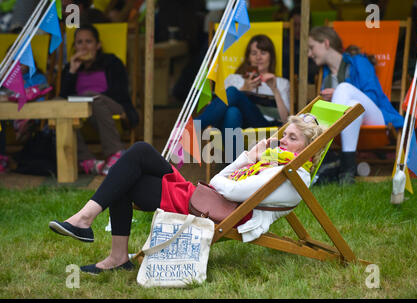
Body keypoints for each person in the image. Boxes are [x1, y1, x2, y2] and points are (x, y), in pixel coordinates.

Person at [49, 113, 324, 274]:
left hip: (206, 210)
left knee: (128, 174)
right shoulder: (275, 164)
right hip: (204, 198)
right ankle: (92, 228)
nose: (282, 141)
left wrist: (249, 161)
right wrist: (249, 158)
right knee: (139, 153)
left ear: (308, 149)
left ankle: (94, 230)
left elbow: (225, 187)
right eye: (285, 134)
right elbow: (220, 185)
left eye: (292, 138)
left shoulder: (289, 174)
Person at [308, 26, 403, 183]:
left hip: (376, 118)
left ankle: (327, 158)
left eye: (312, 48)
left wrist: (338, 93)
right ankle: (347, 173)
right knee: (352, 104)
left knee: (344, 88)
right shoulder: (325, 75)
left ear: (326, 43)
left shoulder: (359, 61)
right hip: (349, 125)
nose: (309, 54)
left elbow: (373, 97)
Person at [60, 24, 139, 176]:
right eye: (79, 42)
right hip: (83, 110)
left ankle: (116, 152)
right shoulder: (70, 67)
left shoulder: (112, 63)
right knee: (60, 107)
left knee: (92, 97)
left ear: (98, 45)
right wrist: (71, 71)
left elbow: (121, 93)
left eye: (88, 42)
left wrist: (89, 97)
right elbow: (64, 97)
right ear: (74, 46)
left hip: (113, 105)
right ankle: (87, 161)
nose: (83, 46)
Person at [196, 34, 290, 161]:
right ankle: (238, 166)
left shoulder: (281, 82)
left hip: (262, 125)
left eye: (263, 52)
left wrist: (275, 90)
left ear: (271, 57)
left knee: (232, 94)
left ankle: (194, 127)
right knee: (232, 111)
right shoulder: (235, 79)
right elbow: (220, 108)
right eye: (254, 53)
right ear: (248, 58)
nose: (258, 57)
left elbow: (285, 120)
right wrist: (245, 88)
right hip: (236, 125)